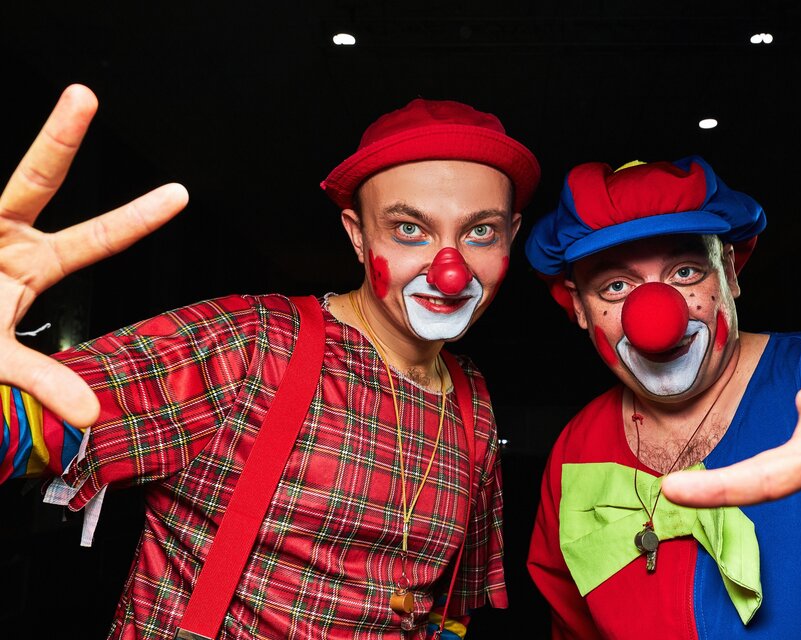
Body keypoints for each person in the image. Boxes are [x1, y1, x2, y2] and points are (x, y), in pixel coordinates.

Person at [0, 84, 540, 639]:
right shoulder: (250, 344)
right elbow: (26, 427)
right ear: (358, 236)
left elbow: (449, 605)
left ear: (511, 236)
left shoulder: (472, 401)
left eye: (480, 231)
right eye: (409, 229)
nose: (450, 271)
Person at [524, 157, 801, 639]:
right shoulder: (575, 450)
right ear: (580, 307)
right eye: (616, 286)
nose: (655, 316)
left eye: (686, 272)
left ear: (729, 272)